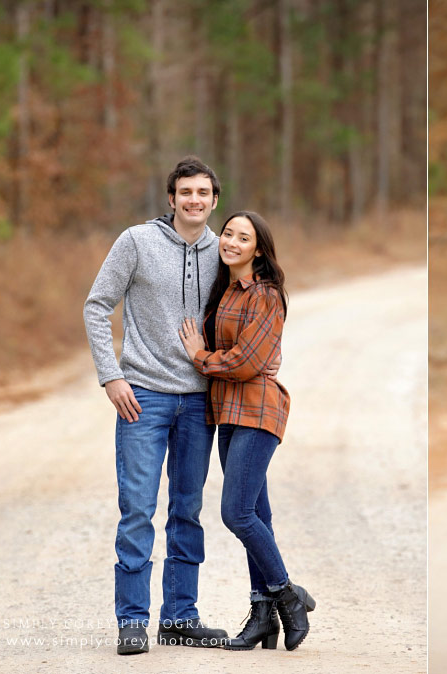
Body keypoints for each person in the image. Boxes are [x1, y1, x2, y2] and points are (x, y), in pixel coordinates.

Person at [84, 156, 229, 654]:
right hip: (142, 397)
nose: (194, 200)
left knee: (187, 511)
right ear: (171, 199)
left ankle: (181, 618)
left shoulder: (223, 252)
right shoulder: (137, 242)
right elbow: (97, 304)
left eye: (203, 193)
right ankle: (132, 620)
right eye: (185, 192)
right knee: (138, 510)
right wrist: (111, 376)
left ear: (214, 200)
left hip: (198, 402)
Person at [179, 210, 316, 652]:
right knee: (259, 517)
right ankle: (262, 617)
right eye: (229, 234)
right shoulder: (224, 292)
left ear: (258, 249)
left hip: (258, 412)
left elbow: (245, 362)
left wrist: (201, 357)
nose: (232, 242)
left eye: (244, 237)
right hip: (227, 413)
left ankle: (288, 596)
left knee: (236, 513)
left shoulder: (266, 295)